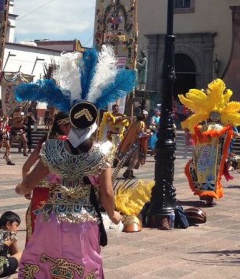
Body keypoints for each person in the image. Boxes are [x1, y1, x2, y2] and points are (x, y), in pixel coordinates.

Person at [15, 100, 122, 278]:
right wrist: (113, 215)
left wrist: (19, 190)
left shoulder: (52, 150)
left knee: (44, 264)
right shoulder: (102, 152)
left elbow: (28, 184)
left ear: (70, 123)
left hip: (52, 217)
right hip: (84, 220)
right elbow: (107, 194)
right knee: (83, 265)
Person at [177, 78, 240, 208]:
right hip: (213, 159)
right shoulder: (219, 128)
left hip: (205, 158)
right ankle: (208, 194)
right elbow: (226, 137)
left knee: (201, 173)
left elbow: (198, 136)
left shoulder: (204, 127)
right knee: (210, 175)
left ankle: (205, 193)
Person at [21, 111, 70, 244]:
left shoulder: (45, 143)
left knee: (36, 233)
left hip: (39, 194)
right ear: (64, 126)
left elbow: (26, 167)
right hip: (63, 196)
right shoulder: (73, 146)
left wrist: (27, 187)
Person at [117, 109, 150, 179]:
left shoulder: (135, 122)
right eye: (146, 115)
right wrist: (150, 133)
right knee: (135, 158)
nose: (147, 116)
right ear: (144, 116)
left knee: (132, 158)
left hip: (131, 142)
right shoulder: (141, 123)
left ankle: (129, 171)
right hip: (137, 143)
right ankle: (128, 172)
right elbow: (141, 134)